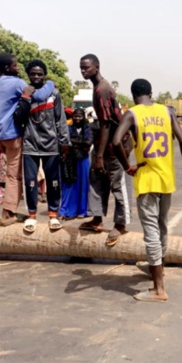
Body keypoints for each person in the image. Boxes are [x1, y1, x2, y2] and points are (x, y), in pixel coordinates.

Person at [113, 79, 182, 302]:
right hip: (165, 178)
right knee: (161, 226)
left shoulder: (132, 114)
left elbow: (115, 141)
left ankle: (158, 289)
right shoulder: (167, 112)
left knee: (150, 231)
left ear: (133, 95)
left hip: (147, 180)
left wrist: (127, 166)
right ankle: (161, 266)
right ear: (151, 93)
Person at [0, 52, 55, 226]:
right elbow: (38, 96)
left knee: (8, 170)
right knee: (14, 176)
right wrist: (51, 83)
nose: (18, 68)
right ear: (7, 67)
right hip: (12, 134)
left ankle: (10, 208)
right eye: (15, 65)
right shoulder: (17, 83)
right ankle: (9, 213)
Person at [78, 54, 132, 244]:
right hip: (104, 143)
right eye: (81, 68)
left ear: (97, 67)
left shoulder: (102, 89)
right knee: (96, 178)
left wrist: (99, 155)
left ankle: (121, 224)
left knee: (117, 185)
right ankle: (97, 218)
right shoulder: (97, 87)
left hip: (116, 146)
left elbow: (107, 125)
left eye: (86, 68)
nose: (83, 71)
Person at [15, 60, 70, 232]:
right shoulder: (24, 93)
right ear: (28, 75)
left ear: (44, 74)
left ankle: (53, 214)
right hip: (30, 144)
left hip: (52, 144)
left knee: (53, 181)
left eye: (40, 74)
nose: (36, 77)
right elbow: (18, 118)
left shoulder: (54, 93)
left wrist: (64, 142)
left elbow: (60, 119)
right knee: (30, 182)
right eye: (33, 73)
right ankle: (32, 215)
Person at [59, 108, 93, 220]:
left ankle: (82, 211)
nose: (77, 119)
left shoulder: (87, 128)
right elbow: (64, 141)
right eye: (75, 116)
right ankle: (66, 210)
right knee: (68, 185)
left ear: (83, 117)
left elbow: (88, 142)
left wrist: (73, 142)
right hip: (70, 160)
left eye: (80, 116)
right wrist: (80, 143)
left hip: (83, 160)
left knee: (83, 186)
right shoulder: (68, 128)